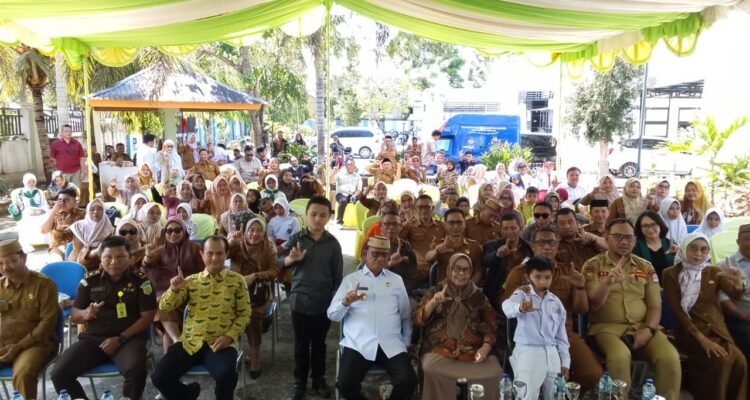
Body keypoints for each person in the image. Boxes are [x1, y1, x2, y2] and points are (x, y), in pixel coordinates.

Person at [582, 218, 681, 400]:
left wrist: (648, 329)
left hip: (642, 326)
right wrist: (607, 283)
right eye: (618, 237)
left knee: (670, 358)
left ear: (635, 240)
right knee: (619, 357)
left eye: (629, 237)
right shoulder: (592, 266)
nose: (624, 242)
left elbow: (654, 305)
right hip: (606, 329)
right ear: (607, 238)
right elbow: (592, 305)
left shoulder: (645, 266)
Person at [52, 236, 157, 400]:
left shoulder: (141, 282)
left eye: (120, 257)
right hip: (93, 340)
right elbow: (75, 314)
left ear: (130, 258)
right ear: (101, 258)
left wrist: (120, 339)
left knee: (136, 371)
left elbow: (148, 317)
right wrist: (86, 314)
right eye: (108, 257)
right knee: (59, 373)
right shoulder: (89, 281)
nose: (114, 262)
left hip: (128, 339)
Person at [151, 236, 250, 400]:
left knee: (226, 376)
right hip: (190, 341)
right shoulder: (191, 281)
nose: (214, 258)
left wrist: (230, 336)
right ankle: (188, 394)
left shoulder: (237, 281)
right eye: (210, 253)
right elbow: (165, 307)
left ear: (226, 254)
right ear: (202, 255)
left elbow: (244, 314)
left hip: (221, 342)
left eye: (219, 253)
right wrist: (173, 290)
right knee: (159, 377)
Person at [504, 228, 602, 393]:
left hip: (564, 333)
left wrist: (579, 288)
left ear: (558, 245)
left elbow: (581, 309)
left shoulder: (569, 271)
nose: (547, 247)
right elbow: (507, 307)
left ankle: (565, 395)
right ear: (532, 246)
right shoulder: (519, 273)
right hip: (530, 336)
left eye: (551, 242)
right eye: (541, 242)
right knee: (529, 385)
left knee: (592, 374)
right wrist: (520, 304)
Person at [328, 236, 417, 400]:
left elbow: (405, 316)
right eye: (375, 254)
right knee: (345, 385)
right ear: (365, 254)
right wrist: (345, 302)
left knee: (408, 381)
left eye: (385, 255)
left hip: (391, 343)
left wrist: (406, 344)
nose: (380, 259)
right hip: (358, 343)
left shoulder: (396, 281)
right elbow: (332, 314)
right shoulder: (351, 280)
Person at [662, 233, 747, 399]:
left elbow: (735, 294)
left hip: (717, 329)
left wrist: (738, 283)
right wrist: (702, 339)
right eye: (693, 248)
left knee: (740, 361)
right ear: (684, 248)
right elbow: (678, 311)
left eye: (703, 249)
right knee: (720, 362)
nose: (698, 254)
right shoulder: (670, 273)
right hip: (690, 331)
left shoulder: (713, 271)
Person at [278, 197, 343, 400]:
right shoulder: (297, 238)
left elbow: (337, 275)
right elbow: (278, 260)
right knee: (300, 345)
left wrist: (335, 299)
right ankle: (300, 381)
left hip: (323, 302)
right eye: (313, 214)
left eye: (323, 215)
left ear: (328, 217)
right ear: (306, 215)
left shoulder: (333, 244)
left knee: (319, 344)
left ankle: (318, 379)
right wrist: (290, 259)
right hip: (299, 300)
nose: (317, 219)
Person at [503, 256, 571, 400]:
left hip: (552, 352)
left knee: (556, 395)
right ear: (528, 277)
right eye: (538, 277)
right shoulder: (522, 294)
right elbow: (507, 307)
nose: (543, 281)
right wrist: (520, 308)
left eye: (547, 277)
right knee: (527, 395)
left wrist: (565, 361)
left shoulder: (556, 303)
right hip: (529, 351)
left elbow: (561, 336)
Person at [0, 239, 59, 400]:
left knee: (23, 374)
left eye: (12, 261)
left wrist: (18, 346)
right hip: (5, 343)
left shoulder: (43, 285)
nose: (6, 267)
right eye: (1, 263)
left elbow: (47, 325)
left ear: (24, 258)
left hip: (35, 344)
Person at [142, 218, 204, 350]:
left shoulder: (195, 248)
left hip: (191, 290)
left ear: (184, 231)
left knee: (165, 310)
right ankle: (177, 342)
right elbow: (146, 267)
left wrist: (189, 283)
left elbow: (204, 271)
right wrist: (148, 257)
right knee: (164, 301)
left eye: (177, 230)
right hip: (167, 290)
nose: (173, 234)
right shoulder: (161, 250)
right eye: (169, 231)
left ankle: (174, 347)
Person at [227, 218, 277, 377]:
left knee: (251, 316)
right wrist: (232, 243)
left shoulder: (268, 249)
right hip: (234, 293)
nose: (254, 234)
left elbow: (273, 271)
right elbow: (222, 256)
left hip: (258, 294)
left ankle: (255, 358)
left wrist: (255, 276)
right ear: (246, 231)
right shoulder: (237, 245)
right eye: (251, 230)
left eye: (259, 231)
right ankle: (227, 354)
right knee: (223, 312)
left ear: (264, 233)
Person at [719, 225, 750, 366]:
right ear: (738, 242)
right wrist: (743, 316)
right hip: (741, 319)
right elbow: (722, 298)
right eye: (747, 239)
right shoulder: (726, 265)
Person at [425, 208, 483, 283]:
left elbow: (478, 272)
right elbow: (428, 258)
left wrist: (468, 286)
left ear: (464, 224)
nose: (455, 226)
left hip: (467, 286)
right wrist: (436, 251)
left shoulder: (474, 246)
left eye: (459, 222)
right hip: (444, 287)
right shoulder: (438, 243)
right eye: (451, 223)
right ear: (445, 225)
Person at [399, 194, 445, 285]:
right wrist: (405, 226)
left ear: (432, 208)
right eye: (420, 207)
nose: (424, 210)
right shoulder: (410, 225)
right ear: (416, 209)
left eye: (427, 207)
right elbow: (398, 240)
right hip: (418, 270)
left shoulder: (442, 226)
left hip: (439, 269)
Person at [68, 199, 114, 270]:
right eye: (92, 209)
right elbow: (64, 236)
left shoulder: (110, 230)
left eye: (100, 209)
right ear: (87, 211)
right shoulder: (78, 226)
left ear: (104, 212)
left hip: (97, 267)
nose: (96, 212)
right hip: (73, 265)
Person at [633, 210, 678, 282]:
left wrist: (680, 253)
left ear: (660, 225)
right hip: (646, 285)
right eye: (645, 226)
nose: (650, 229)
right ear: (640, 228)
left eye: (653, 224)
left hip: (670, 284)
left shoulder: (670, 243)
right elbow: (636, 272)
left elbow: (680, 267)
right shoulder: (636, 247)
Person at [41, 187, 85, 259]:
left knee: (75, 259)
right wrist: (53, 212)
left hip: (78, 246)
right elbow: (43, 231)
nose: (62, 202)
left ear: (74, 201)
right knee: (56, 259)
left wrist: (70, 226)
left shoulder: (82, 214)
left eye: (66, 200)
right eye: (60, 199)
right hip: (58, 246)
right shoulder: (54, 214)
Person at [333, 159, 362, 225]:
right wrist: (334, 172)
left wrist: (354, 195)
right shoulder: (340, 174)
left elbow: (359, 189)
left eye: (351, 165)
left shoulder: (357, 176)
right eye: (348, 165)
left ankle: (360, 221)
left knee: (361, 202)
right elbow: (330, 181)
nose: (349, 166)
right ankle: (339, 221)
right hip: (341, 194)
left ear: (354, 166)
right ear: (346, 166)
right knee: (343, 201)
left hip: (352, 195)